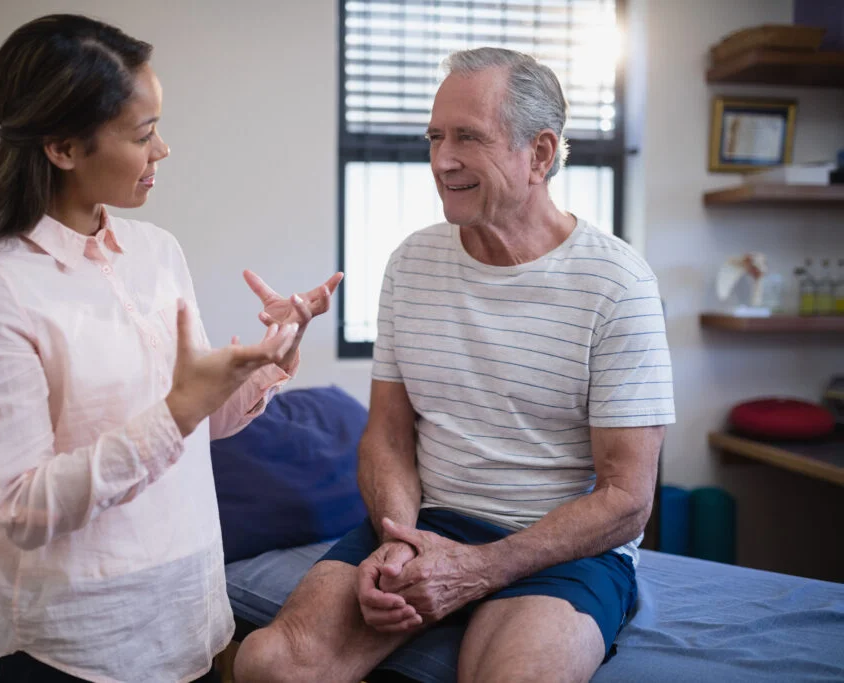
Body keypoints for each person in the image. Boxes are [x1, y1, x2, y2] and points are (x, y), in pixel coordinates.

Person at [0, 14, 341, 683]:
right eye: (143, 134)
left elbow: (197, 425)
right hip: (82, 649)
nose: (162, 149)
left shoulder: (156, 253)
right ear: (62, 147)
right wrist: (175, 411)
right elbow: (25, 508)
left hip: (192, 621)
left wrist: (265, 361)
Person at [235, 47, 675, 683]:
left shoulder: (617, 283)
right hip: (428, 521)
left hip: (557, 547)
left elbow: (626, 500)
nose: (442, 161)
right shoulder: (411, 263)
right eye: (435, 137)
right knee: (269, 663)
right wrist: (397, 537)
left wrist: (479, 569)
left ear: (542, 154)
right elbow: (386, 433)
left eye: (469, 137)